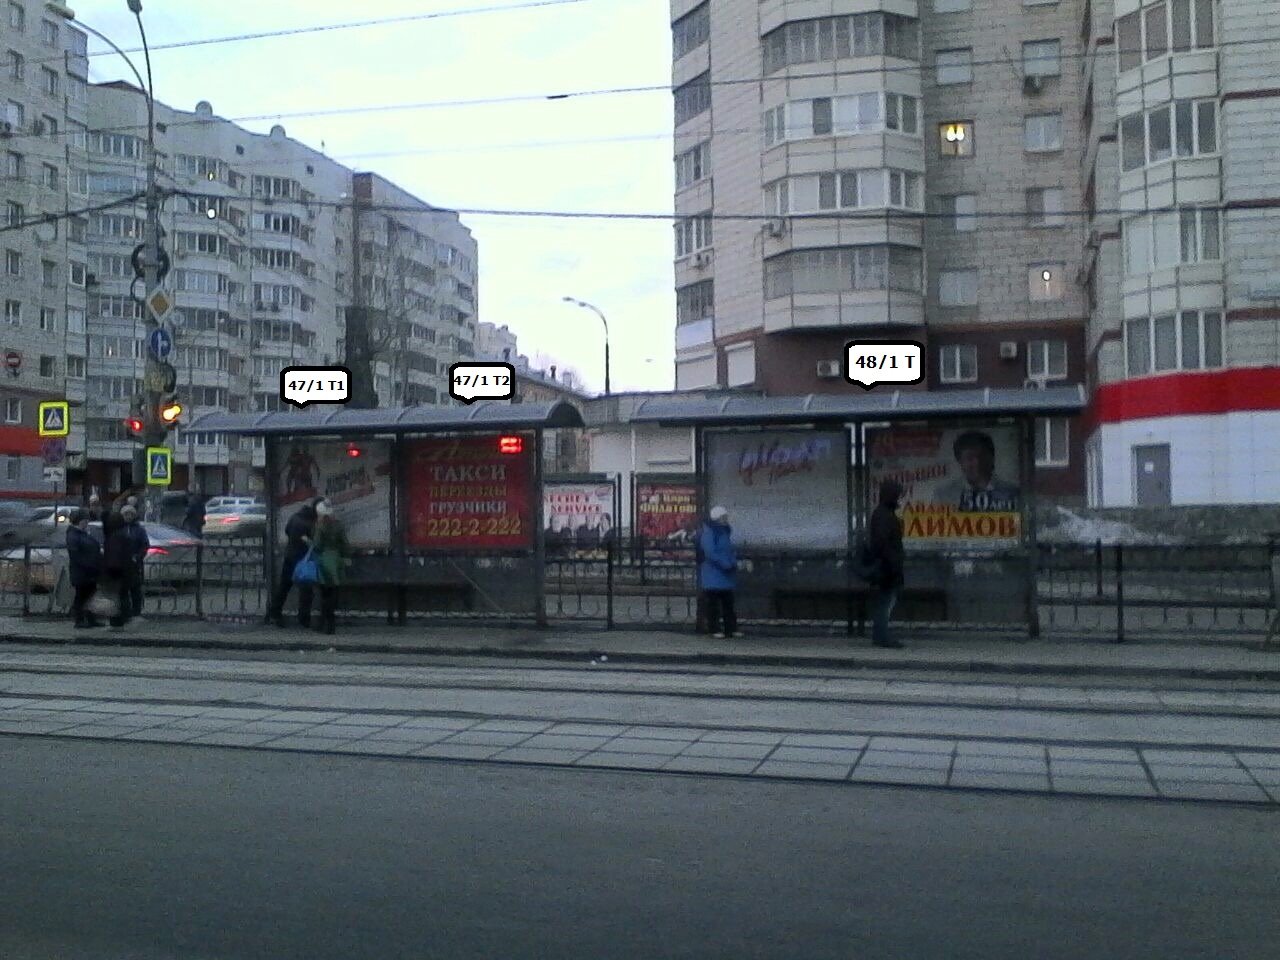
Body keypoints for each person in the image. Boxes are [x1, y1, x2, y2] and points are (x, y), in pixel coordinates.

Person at [937, 431, 1021, 512]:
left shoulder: (1012, 493)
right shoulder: (943, 495)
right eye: (970, 458)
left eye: (982, 455)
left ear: (992, 457)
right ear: (960, 461)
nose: (977, 462)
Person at [868, 479, 906, 649]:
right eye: (897, 495)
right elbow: (883, 543)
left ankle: (880, 635)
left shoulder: (882, 513)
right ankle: (881, 636)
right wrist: (894, 562)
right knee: (886, 602)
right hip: (888, 567)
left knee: (885, 601)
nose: (899, 498)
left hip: (886, 566)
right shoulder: (885, 515)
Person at [267, 499, 317, 628]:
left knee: (284, 587)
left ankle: (274, 613)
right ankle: (304, 619)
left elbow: (287, 531)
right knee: (306, 590)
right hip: (302, 559)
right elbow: (311, 541)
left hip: (289, 555)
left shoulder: (295, 517)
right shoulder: (309, 523)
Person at [698, 505, 740, 640]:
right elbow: (710, 552)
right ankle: (714, 629)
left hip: (723, 574)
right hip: (714, 573)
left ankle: (730, 629)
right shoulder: (709, 532)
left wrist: (732, 562)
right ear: (717, 518)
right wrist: (726, 564)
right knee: (714, 604)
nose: (726, 519)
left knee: (728, 603)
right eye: (723, 517)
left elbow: (728, 550)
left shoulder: (724, 531)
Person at [311, 499, 349, 635]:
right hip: (336, 561)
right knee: (333, 593)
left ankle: (324, 623)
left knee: (324, 594)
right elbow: (345, 544)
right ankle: (331, 625)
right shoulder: (339, 525)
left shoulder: (320, 526)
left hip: (324, 561)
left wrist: (308, 541)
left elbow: (317, 545)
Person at [66, 509, 103, 629]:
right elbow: (76, 554)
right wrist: (89, 564)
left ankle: (90, 618)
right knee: (82, 596)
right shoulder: (74, 535)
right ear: (79, 521)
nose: (87, 522)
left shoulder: (83, 533)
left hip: (90, 570)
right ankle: (79, 619)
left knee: (90, 595)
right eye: (85, 520)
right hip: (81, 571)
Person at [102, 507, 135, 629]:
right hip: (124, 570)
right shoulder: (123, 536)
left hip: (115, 571)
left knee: (116, 597)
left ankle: (117, 620)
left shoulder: (114, 537)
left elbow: (114, 556)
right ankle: (123, 617)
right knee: (123, 595)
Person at [122, 505, 149, 620]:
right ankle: (125, 612)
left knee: (135, 589)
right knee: (122, 589)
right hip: (121, 564)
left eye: (131, 514)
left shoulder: (139, 530)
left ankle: (136, 612)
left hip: (135, 564)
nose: (128, 516)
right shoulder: (118, 528)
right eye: (126, 514)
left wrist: (138, 557)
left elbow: (145, 545)